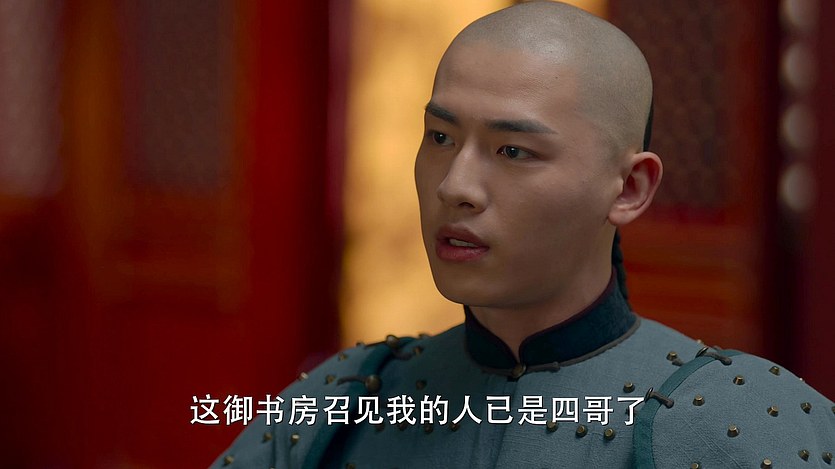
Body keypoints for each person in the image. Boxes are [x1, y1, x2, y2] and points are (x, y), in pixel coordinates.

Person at [211, 2, 835, 468]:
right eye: (440, 137)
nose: (456, 185)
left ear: (629, 188)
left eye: (513, 150)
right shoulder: (342, 405)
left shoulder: (736, 420)